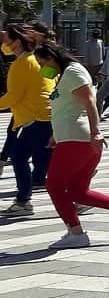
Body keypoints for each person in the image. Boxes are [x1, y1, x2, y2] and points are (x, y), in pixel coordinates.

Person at [33, 41, 109, 249]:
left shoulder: (72, 72)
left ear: (52, 58)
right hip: (72, 137)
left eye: (42, 63)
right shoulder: (65, 75)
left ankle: (76, 233)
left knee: (54, 186)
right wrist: (56, 135)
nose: (42, 68)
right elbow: (68, 108)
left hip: (78, 138)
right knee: (78, 192)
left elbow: (90, 102)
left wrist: (96, 132)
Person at [0, 26, 55, 217]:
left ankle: (79, 194)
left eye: (5, 40)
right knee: (24, 157)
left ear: (17, 41)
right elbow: (52, 80)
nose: (3, 44)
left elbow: (13, 96)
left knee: (33, 160)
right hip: (42, 116)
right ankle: (23, 201)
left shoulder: (22, 64)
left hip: (37, 117)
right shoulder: (33, 60)